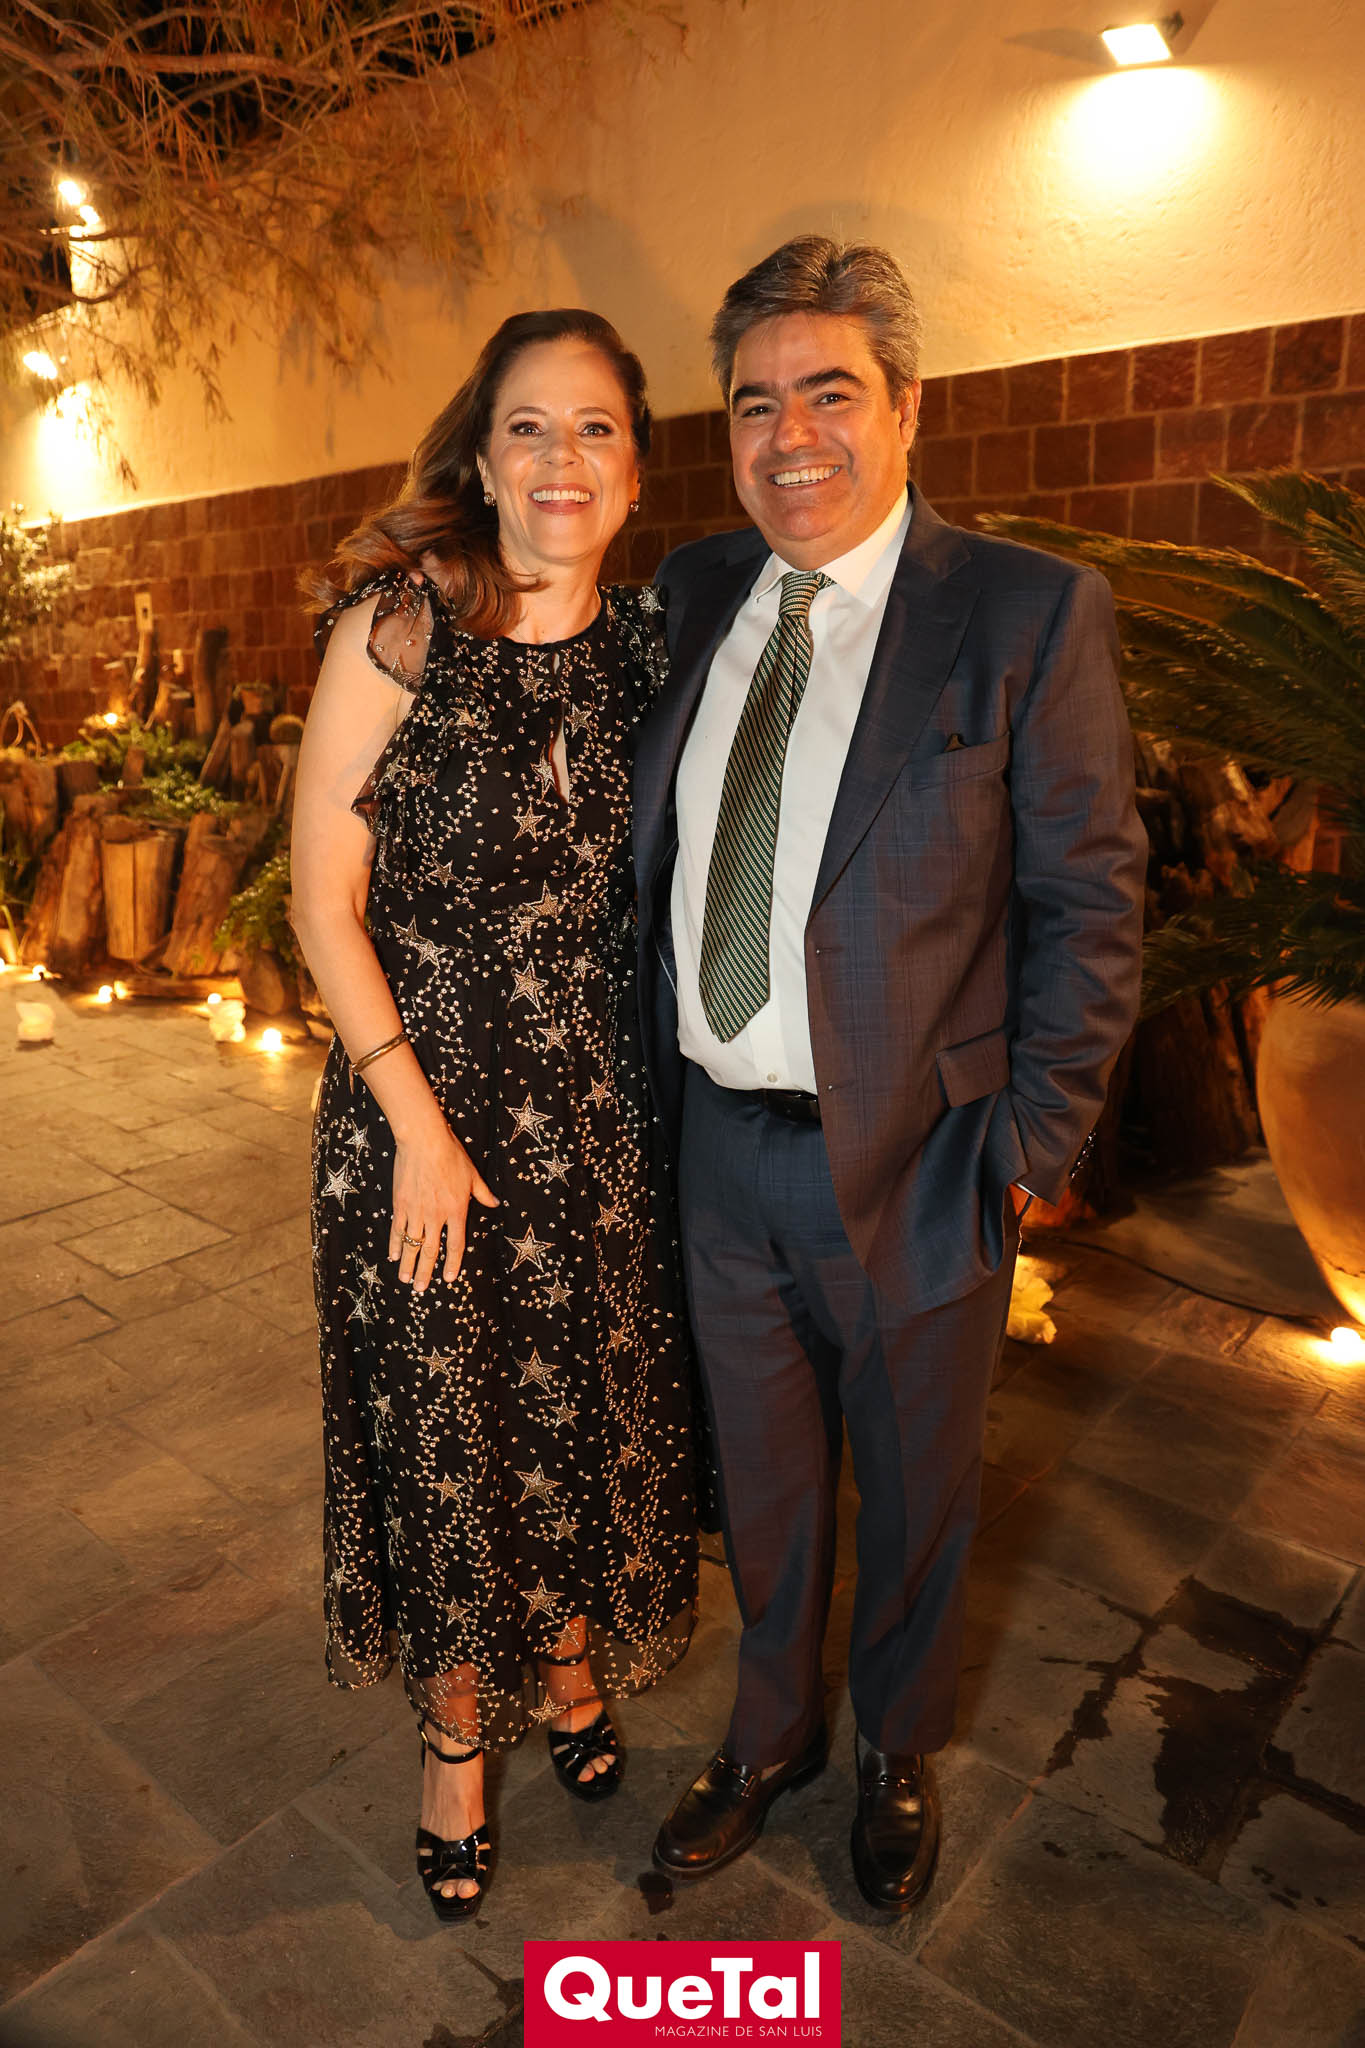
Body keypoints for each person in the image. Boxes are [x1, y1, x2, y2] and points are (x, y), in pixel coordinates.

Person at [633, 236, 1146, 1911]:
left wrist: (1033, 1145)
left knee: (919, 1490)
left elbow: (1089, 896)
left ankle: (894, 1747)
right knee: (763, 1481)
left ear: (908, 404)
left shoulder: (1022, 610)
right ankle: (768, 1733)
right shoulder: (691, 592)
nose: (790, 435)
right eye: (753, 404)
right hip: (718, 1150)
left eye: (829, 393)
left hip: (927, 1155)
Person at [292, 309, 697, 1922]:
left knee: (584, 1406)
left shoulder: (653, 649)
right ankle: (456, 1739)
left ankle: (573, 1664)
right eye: (528, 427)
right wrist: (417, 1124)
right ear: (480, 453)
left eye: (594, 428)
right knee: (449, 1428)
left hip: (597, 1111)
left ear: (635, 466)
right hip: (421, 1105)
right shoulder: (402, 625)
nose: (560, 459)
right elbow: (323, 905)